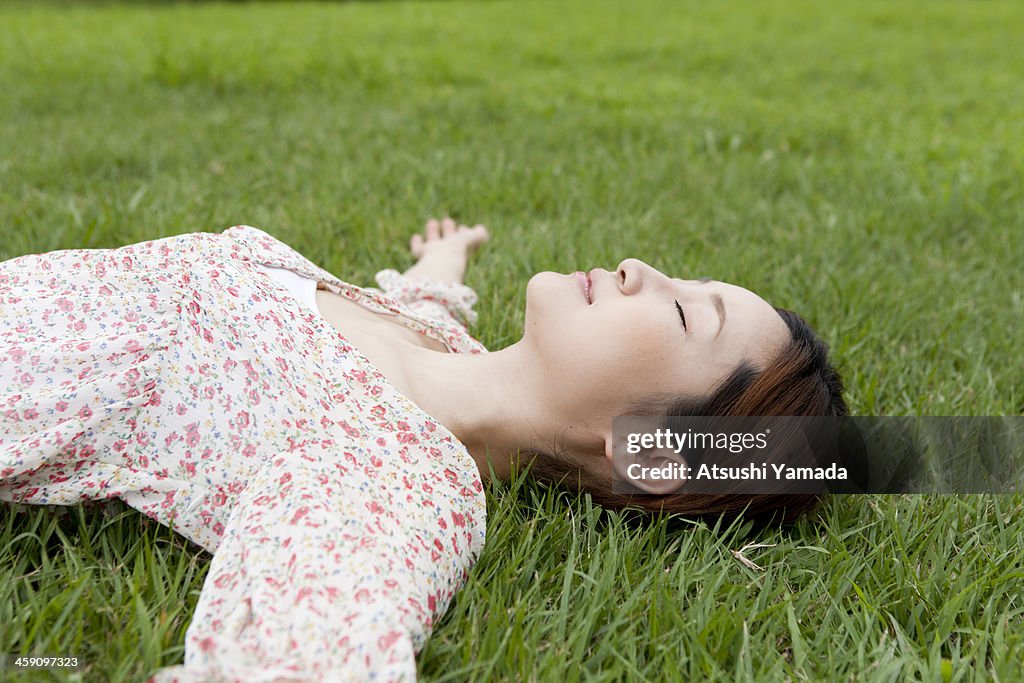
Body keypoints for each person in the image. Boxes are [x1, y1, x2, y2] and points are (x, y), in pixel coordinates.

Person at [0, 218, 846, 682]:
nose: (638, 267)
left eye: (683, 313)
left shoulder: (388, 472)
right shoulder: (443, 346)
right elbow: (425, 306)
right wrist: (443, 256)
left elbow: (322, 649)